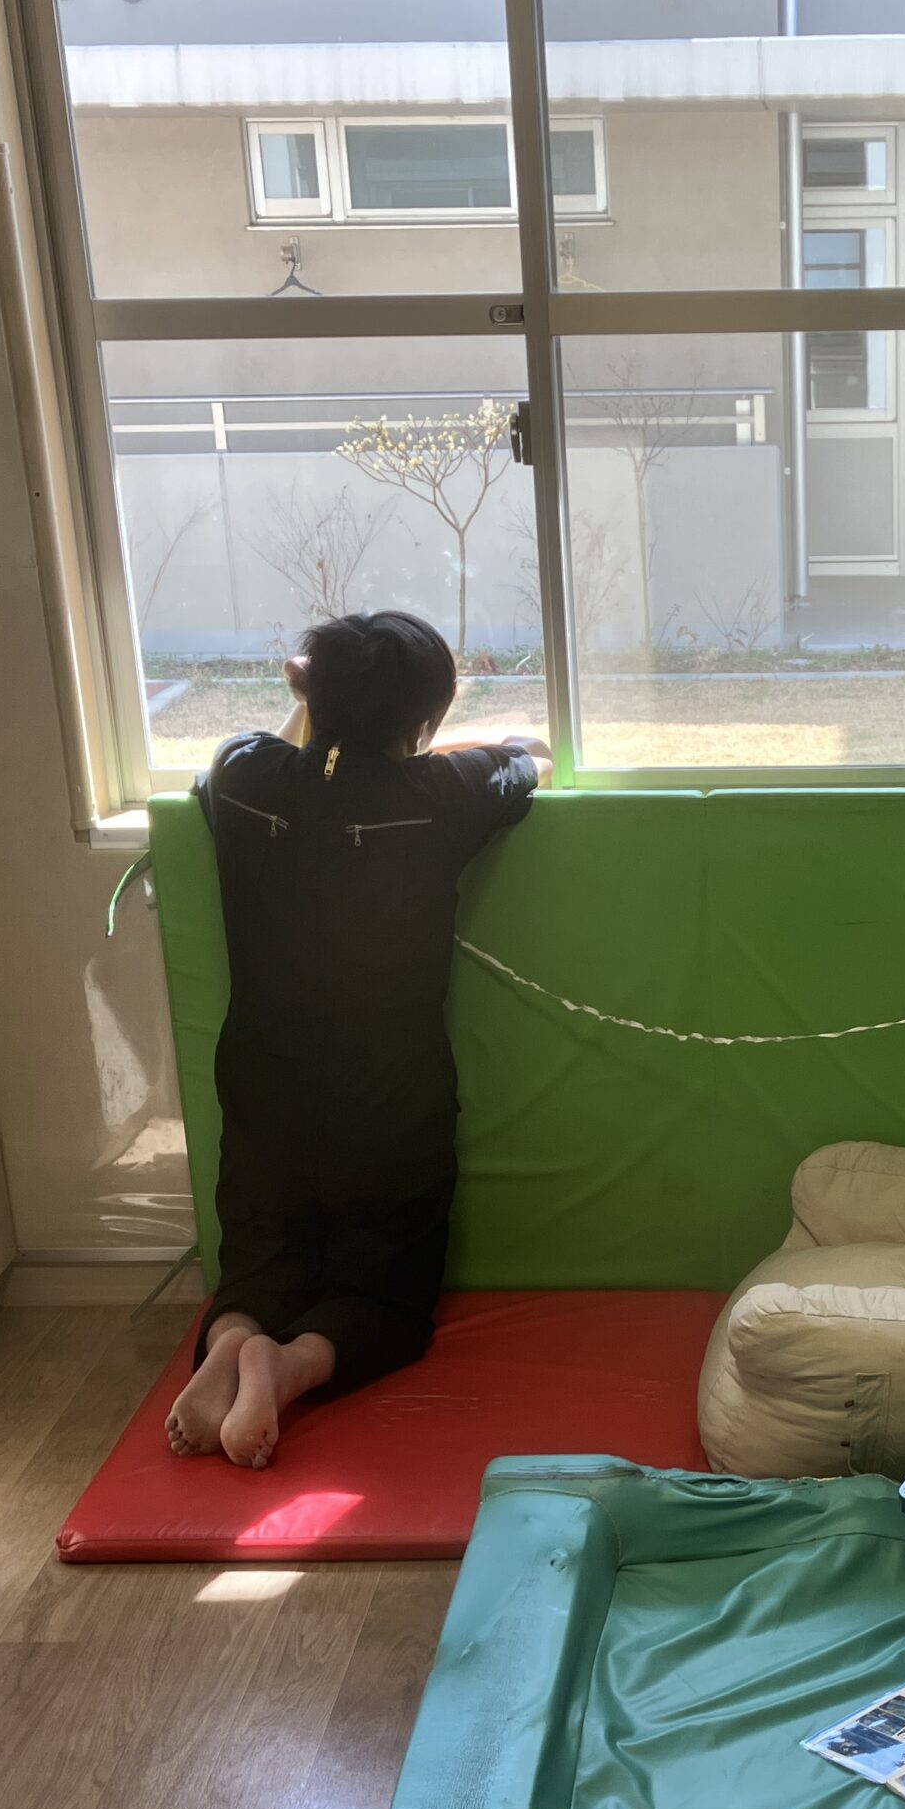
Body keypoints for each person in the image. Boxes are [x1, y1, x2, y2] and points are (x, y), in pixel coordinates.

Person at [166, 610, 547, 1468]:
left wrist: (315, 704)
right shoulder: (439, 797)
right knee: (384, 1292)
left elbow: (278, 754)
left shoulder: (242, 777)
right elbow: (532, 756)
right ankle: (290, 1367)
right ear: (425, 722)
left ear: (307, 690)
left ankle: (234, 1338)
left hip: (262, 1079)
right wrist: (444, 743)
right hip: (389, 1095)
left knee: (260, 1259)